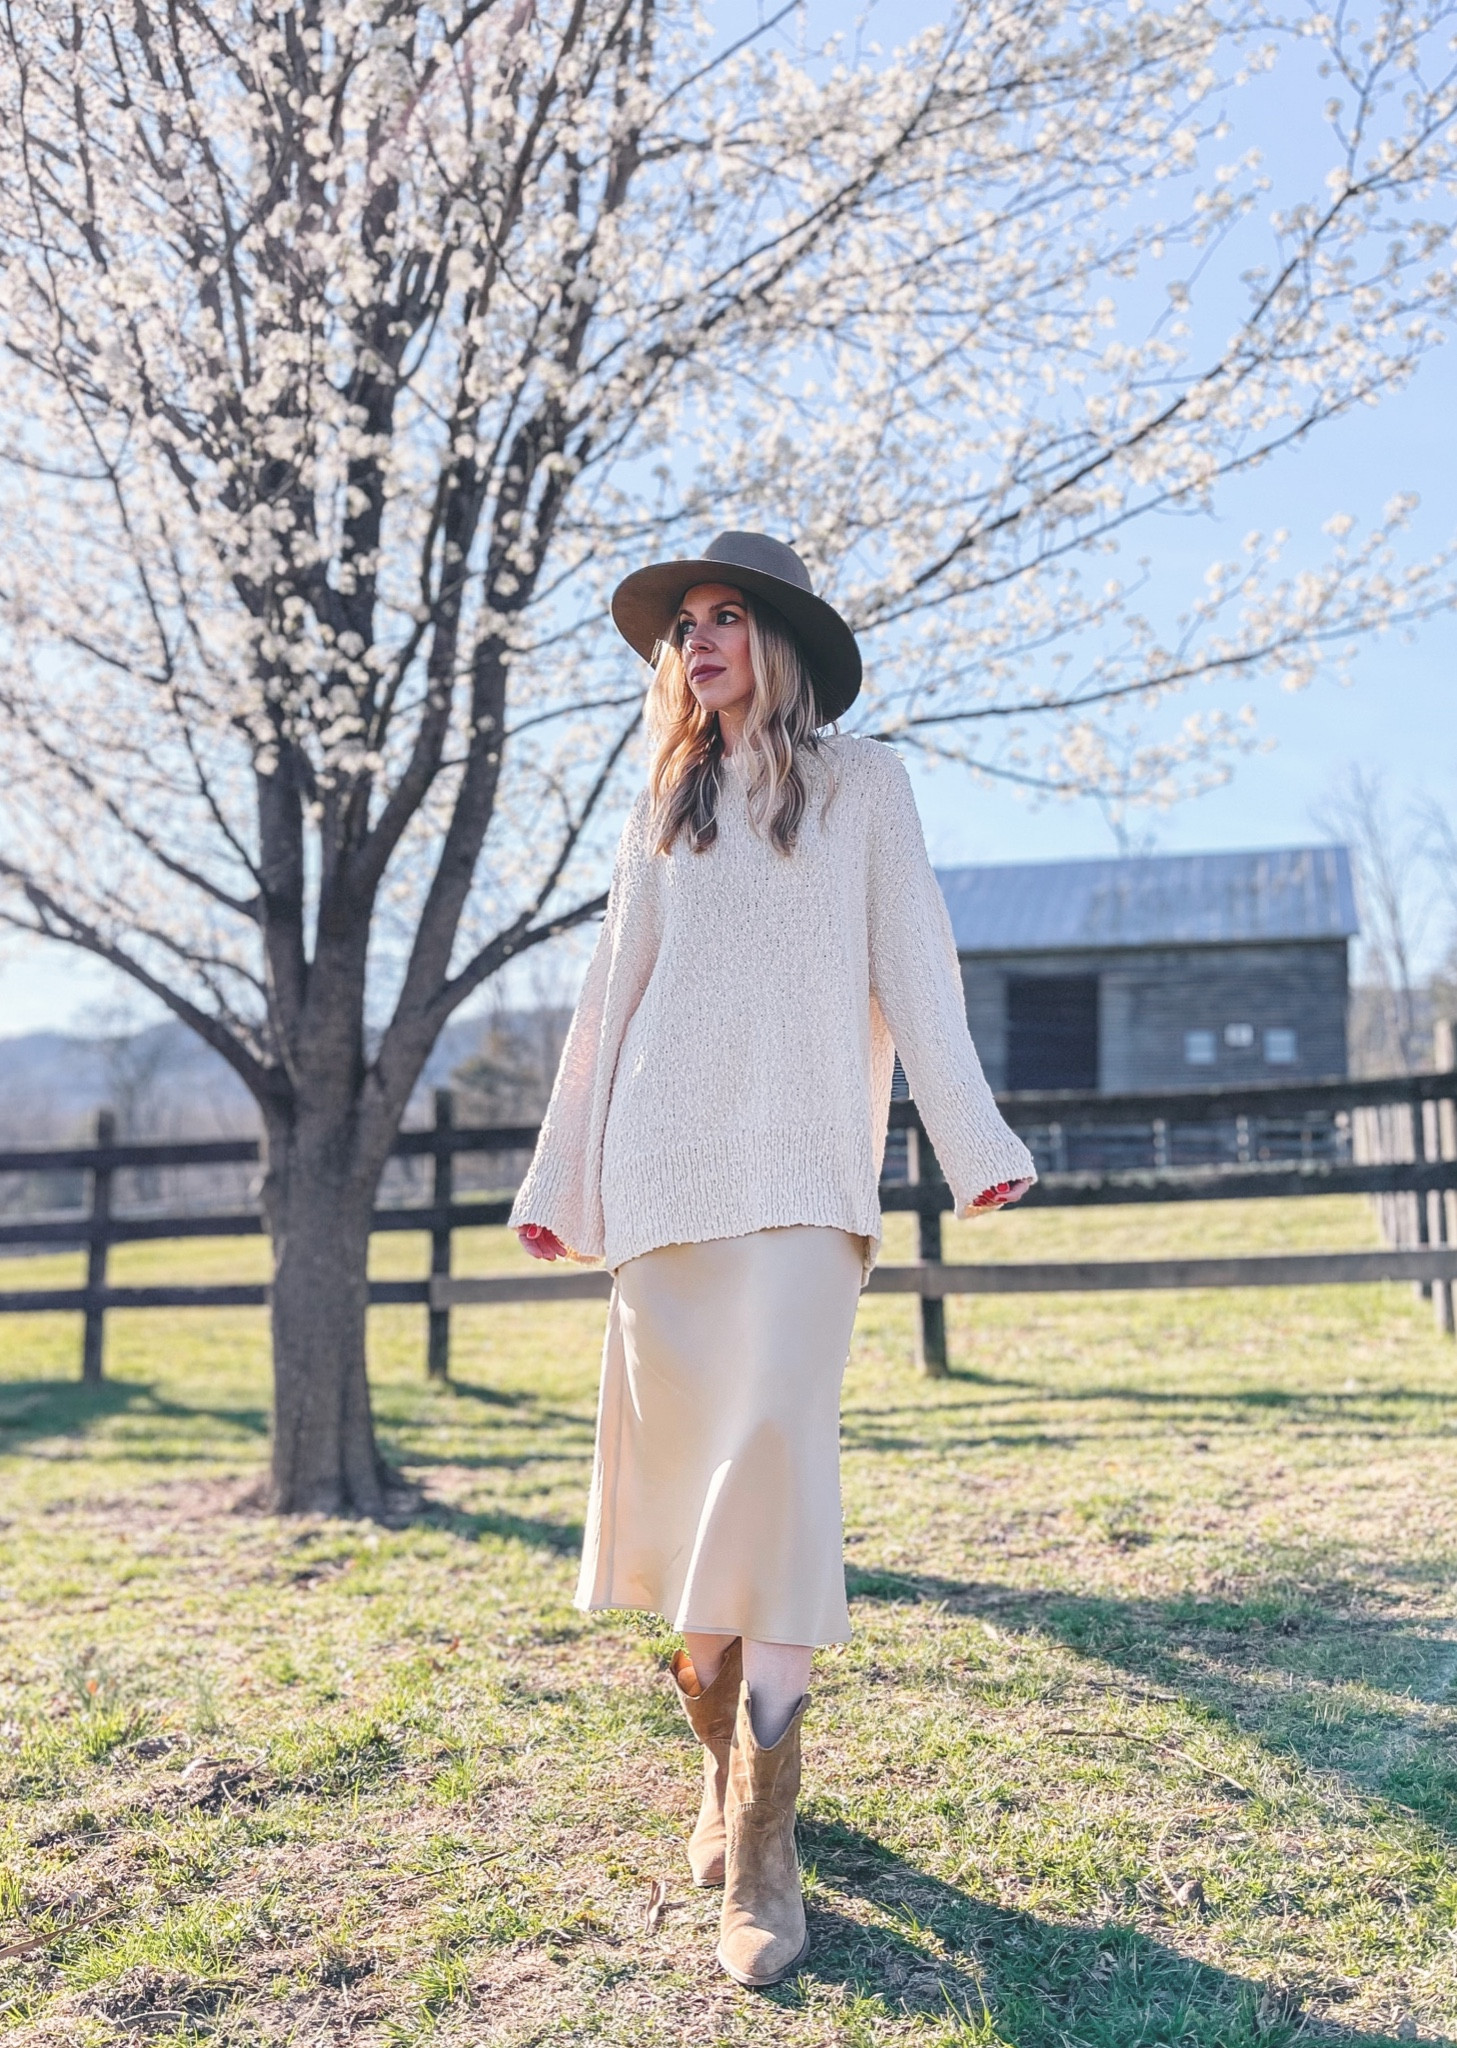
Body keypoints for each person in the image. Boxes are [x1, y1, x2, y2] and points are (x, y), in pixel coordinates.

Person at [509, 531, 1035, 1989]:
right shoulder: (659, 807)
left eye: (725, 616)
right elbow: (608, 1002)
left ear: (782, 637)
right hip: (661, 1185)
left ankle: (766, 1842)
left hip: (806, 1180)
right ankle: (716, 1773)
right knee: (691, 1545)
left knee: (780, 1476)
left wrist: (970, 1135)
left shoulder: (864, 786)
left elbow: (915, 961)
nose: (696, 642)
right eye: (681, 625)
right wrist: (565, 1178)